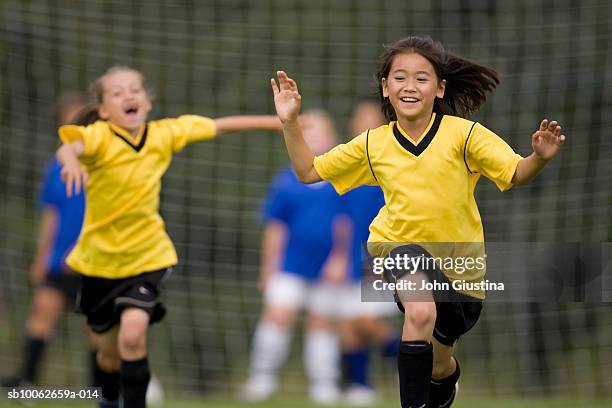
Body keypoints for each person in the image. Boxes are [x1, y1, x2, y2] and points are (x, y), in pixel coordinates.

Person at [270, 36, 565, 408]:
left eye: (422, 78)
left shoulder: (465, 135)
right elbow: (308, 170)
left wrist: (538, 157)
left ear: (440, 88)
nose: (410, 86)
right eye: (400, 77)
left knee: (438, 365)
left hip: (461, 268)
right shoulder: (372, 144)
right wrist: (290, 121)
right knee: (421, 309)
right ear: (385, 87)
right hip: (398, 248)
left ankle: (445, 379)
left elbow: (516, 172)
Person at [56, 66, 282, 408]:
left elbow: (218, 125)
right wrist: (71, 161)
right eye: (117, 93)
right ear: (103, 110)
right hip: (99, 261)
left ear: (147, 102)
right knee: (108, 355)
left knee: (133, 337)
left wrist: (275, 121)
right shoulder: (99, 137)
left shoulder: (164, 133)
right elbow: (69, 146)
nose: (128, 96)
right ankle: (106, 400)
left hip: (148, 255)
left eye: (135, 89)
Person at [242, 110, 350, 405]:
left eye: (320, 132)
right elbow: (275, 228)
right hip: (289, 267)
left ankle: (324, 385)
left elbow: (345, 224)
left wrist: (340, 259)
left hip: (327, 270)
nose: (314, 138)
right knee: (277, 317)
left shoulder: (342, 179)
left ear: (333, 140)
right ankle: (261, 379)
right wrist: (269, 269)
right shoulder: (286, 181)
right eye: (307, 132)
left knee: (322, 323)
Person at [1, 94, 89, 388]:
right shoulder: (55, 167)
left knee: (95, 326)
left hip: (92, 257)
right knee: (42, 310)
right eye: (67, 119)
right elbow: (51, 214)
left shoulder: (101, 162)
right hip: (57, 258)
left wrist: (82, 249)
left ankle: (101, 389)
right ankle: (27, 382)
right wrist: (42, 257)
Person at [338, 100, 399, 406]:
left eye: (369, 121)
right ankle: (360, 388)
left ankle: (422, 364)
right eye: (357, 120)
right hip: (348, 258)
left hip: (378, 255)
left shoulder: (390, 166)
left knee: (364, 321)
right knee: (349, 325)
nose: (362, 126)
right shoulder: (345, 164)